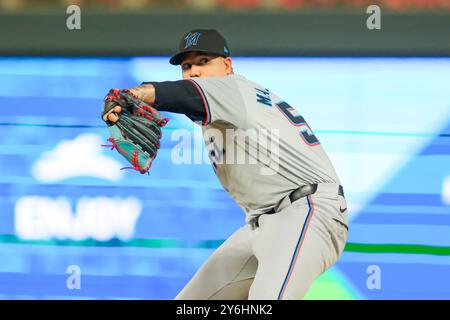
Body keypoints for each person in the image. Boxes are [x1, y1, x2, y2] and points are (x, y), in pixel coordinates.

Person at [103, 29, 349, 300]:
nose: (194, 71)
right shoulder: (221, 108)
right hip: (263, 223)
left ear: (227, 65)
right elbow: (183, 95)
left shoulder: (232, 89)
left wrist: (132, 94)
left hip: (306, 211)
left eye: (203, 61)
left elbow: (179, 93)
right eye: (187, 66)